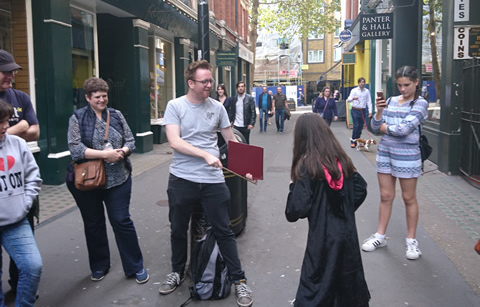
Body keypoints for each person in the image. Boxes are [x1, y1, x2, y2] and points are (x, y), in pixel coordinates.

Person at [160, 60, 254, 307]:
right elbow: (174, 141)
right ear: (191, 83)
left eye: (211, 81)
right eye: (205, 81)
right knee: (178, 229)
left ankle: (239, 281)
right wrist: (204, 154)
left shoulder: (218, 108)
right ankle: (177, 272)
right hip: (182, 179)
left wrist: (247, 169)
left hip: (212, 181)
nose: (210, 85)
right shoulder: (175, 106)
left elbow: (231, 140)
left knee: (224, 230)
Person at [66, 77, 149, 283]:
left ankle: (135, 266)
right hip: (88, 181)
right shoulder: (77, 118)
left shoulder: (117, 115)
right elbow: (75, 148)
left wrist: (124, 150)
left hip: (118, 179)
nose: (102, 100)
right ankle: (99, 265)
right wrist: (105, 156)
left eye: (104, 96)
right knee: (93, 223)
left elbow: (131, 141)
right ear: (87, 97)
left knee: (121, 221)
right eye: (97, 97)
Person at [286, 113, 370, 306]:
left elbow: (295, 210)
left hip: (322, 239)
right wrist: (344, 208)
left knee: (319, 282)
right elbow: (360, 188)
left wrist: (293, 186)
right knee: (345, 283)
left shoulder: (307, 166)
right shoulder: (342, 160)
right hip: (347, 236)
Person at [361, 66, 428, 260]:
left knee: (408, 198)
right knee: (385, 195)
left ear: (416, 82)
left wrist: (384, 127)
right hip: (386, 153)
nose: (403, 89)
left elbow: (404, 129)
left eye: (407, 85)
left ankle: (411, 241)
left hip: (408, 155)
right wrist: (380, 112)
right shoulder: (390, 101)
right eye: (399, 85)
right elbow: (374, 127)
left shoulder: (420, 103)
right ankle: (380, 236)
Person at [0, 49, 41, 293]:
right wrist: (20, 125)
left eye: (13, 72)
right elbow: (28, 127)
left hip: (19, 177)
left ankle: (19, 285)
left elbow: (36, 132)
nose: (11, 76)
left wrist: (7, 132)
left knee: (25, 246)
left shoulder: (21, 97)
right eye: (6, 72)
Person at [346, 77, 372, 148]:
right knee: (356, 125)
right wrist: (353, 98)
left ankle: (358, 140)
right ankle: (353, 141)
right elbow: (348, 100)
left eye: (363, 82)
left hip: (362, 110)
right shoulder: (354, 90)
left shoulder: (366, 91)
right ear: (358, 83)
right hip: (355, 110)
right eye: (360, 82)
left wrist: (370, 111)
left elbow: (369, 102)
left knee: (360, 127)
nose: (362, 83)